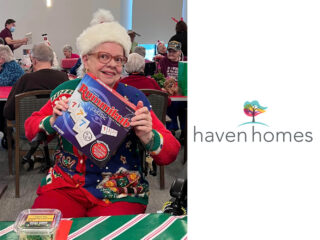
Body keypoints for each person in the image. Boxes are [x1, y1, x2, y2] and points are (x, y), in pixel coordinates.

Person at [24, 9, 180, 218]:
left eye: (118, 59)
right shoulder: (66, 91)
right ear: (86, 60)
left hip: (120, 191)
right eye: (104, 56)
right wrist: (52, 121)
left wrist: (149, 137)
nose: (112, 64)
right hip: (66, 186)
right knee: (43, 231)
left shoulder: (134, 99)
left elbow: (170, 153)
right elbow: (30, 129)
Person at [4, 43, 69, 120]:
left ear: (34, 61)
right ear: (51, 60)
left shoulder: (25, 79)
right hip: (55, 128)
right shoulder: (63, 77)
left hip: (26, 129)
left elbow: (8, 113)